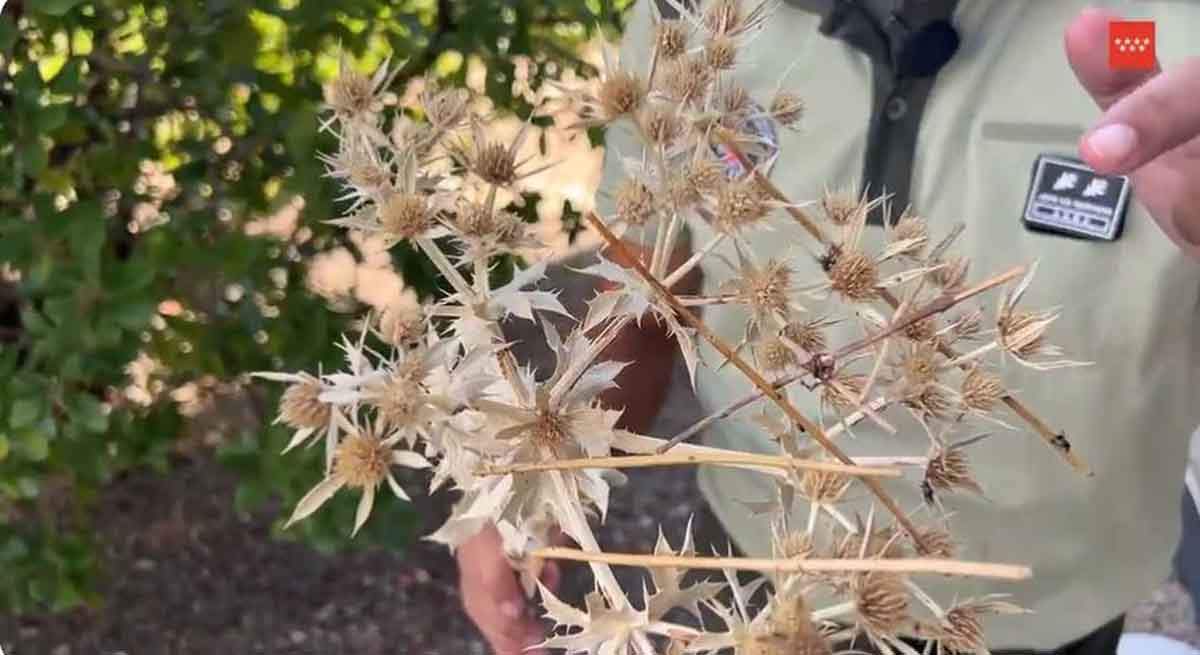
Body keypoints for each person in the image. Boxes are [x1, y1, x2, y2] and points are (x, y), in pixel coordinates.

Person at [456, 1, 1200, 653]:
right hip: (759, 565)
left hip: (1047, 605)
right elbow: (645, 294)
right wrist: (539, 470)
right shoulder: (687, 19)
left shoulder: (1158, 38)